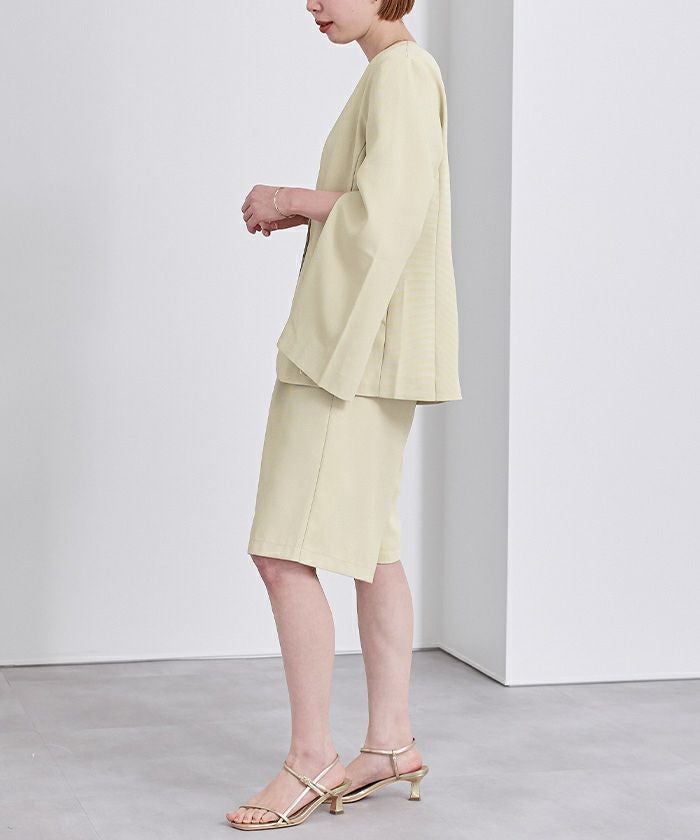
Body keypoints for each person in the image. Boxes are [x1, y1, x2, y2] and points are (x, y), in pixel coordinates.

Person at [227, 0, 462, 829]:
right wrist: (308, 205)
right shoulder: (398, 72)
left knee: (282, 551)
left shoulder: (400, 75)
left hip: (350, 357)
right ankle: (390, 743)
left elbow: (388, 217)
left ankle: (311, 758)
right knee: (372, 547)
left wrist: (288, 194)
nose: (314, 3)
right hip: (370, 351)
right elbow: (384, 203)